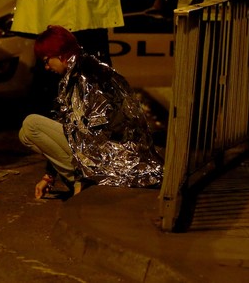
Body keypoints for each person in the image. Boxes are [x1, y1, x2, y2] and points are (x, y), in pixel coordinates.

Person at [18, 25, 163, 199]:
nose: (46, 67)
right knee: (25, 134)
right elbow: (69, 125)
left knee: (31, 124)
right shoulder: (78, 70)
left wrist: (82, 174)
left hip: (116, 155)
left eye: (46, 60)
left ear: (61, 55)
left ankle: (84, 180)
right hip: (103, 151)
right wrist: (49, 175)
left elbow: (92, 135)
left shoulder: (86, 76)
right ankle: (79, 177)